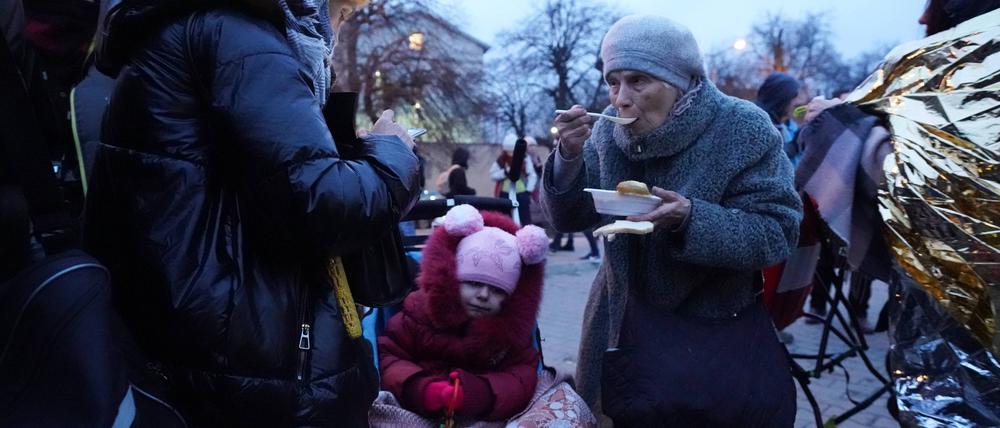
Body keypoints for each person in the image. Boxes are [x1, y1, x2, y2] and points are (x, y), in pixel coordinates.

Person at [82, 0, 423, 425]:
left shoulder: (204, 29)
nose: (333, 29)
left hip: (202, 345)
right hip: (241, 360)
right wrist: (394, 152)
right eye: (341, 12)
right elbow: (323, 205)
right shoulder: (241, 39)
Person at [543, 15, 802, 426]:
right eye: (614, 82)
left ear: (680, 79)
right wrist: (568, 158)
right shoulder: (607, 135)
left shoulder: (743, 128)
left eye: (638, 81)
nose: (620, 99)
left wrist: (691, 218)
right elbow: (569, 218)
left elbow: (777, 232)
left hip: (706, 336)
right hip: (615, 325)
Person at [376, 204, 549, 422]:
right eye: (474, 283)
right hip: (417, 407)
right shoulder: (418, 313)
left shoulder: (510, 332)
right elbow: (390, 357)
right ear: (453, 281)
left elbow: (521, 376)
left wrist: (482, 394)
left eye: (497, 290)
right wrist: (420, 388)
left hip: (485, 412)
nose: (484, 295)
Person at [755, 72, 804, 165]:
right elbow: (766, 161)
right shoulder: (756, 122)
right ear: (782, 97)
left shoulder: (782, 123)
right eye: (794, 97)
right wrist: (794, 145)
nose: (797, 102)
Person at [491, 134, 538, 225]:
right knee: (505, 219)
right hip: (505, 194)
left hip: (522, 194)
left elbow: (532, 175)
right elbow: (493, 174)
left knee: (525, 219)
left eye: (513, 151)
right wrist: (504, 172)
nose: (511, 154)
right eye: (509, 152)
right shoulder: (501, 160)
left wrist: (528, 191)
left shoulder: (524, 159)